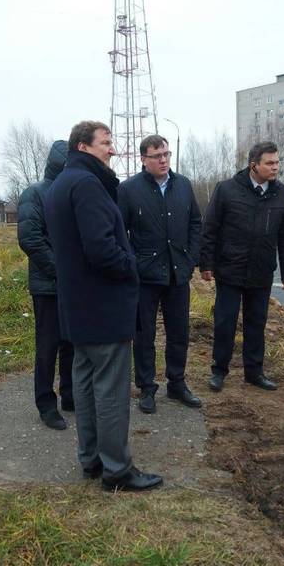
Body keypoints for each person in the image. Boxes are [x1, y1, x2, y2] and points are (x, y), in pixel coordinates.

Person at [44, 120, 163, 492]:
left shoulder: (61, 184)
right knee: (110, 391)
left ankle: (91, 459)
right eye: (106, 143)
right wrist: (132, 269)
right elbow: (100, 249)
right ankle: (117, 469)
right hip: (102, 304)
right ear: (83, 147)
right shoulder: (87, 185)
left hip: (78, 306)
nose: (112, 149)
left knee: (84, 382)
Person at [199, 141, 284, 392]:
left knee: (256, 323)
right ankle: (218, 371)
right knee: (225, 323)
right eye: (270, 163)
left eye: (277, 162)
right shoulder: (226, 190)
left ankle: (254, 372)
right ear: (253, 165)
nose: (276, 167)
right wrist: (205, 264)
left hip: (261, 271)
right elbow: (210, 230)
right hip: (230, 270)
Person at [118, 134, 202, 414]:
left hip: (178, 274)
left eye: (166, 154)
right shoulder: (129, 190)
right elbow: (121, 232)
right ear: (144, 160)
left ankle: (177, 383)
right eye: (157, 156)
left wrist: (190, 260)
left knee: (179, 332)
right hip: (145, 277)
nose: (164, 159)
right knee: (144, 335)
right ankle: (146, 388)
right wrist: (133, 263)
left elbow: (195, 225)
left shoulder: (183, 185)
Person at [17, 140, 74, 431]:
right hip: (48, 285)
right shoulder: (35, 194)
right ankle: (45, 403)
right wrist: (61, 271)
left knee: (71, 343)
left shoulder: (71, 193)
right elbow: (30, 239)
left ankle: (70, 394)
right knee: (48, 346)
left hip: (72, 284)